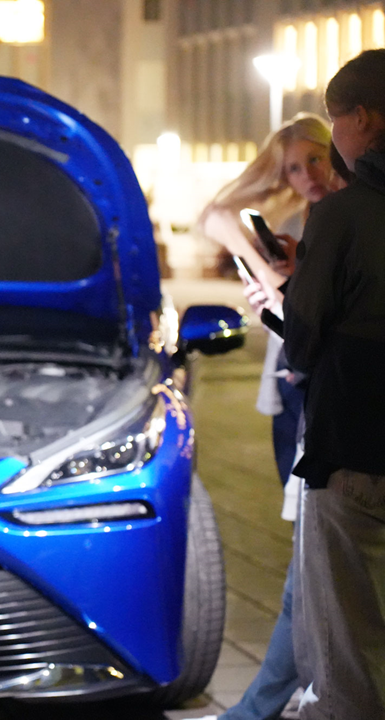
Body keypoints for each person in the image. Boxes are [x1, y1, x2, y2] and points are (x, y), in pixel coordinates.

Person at [190, 116, 341, 720]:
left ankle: (259, 709)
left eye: (314, 159)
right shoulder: (309, 225)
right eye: (291, 169)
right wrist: (279, 287)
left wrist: (280, 288)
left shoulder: (348, 219)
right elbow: (216, 213)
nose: (306, 176)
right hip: (304, 398)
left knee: (309, 575)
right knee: (310, 569)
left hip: (333, 405)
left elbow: (331, 319)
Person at [282, 48, 385, 720]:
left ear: (364, 120)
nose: (335, 139)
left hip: (352, 440)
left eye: (335, 123)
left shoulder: (346, 214)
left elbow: (305, 331)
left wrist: (288, 289)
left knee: (343, 635)